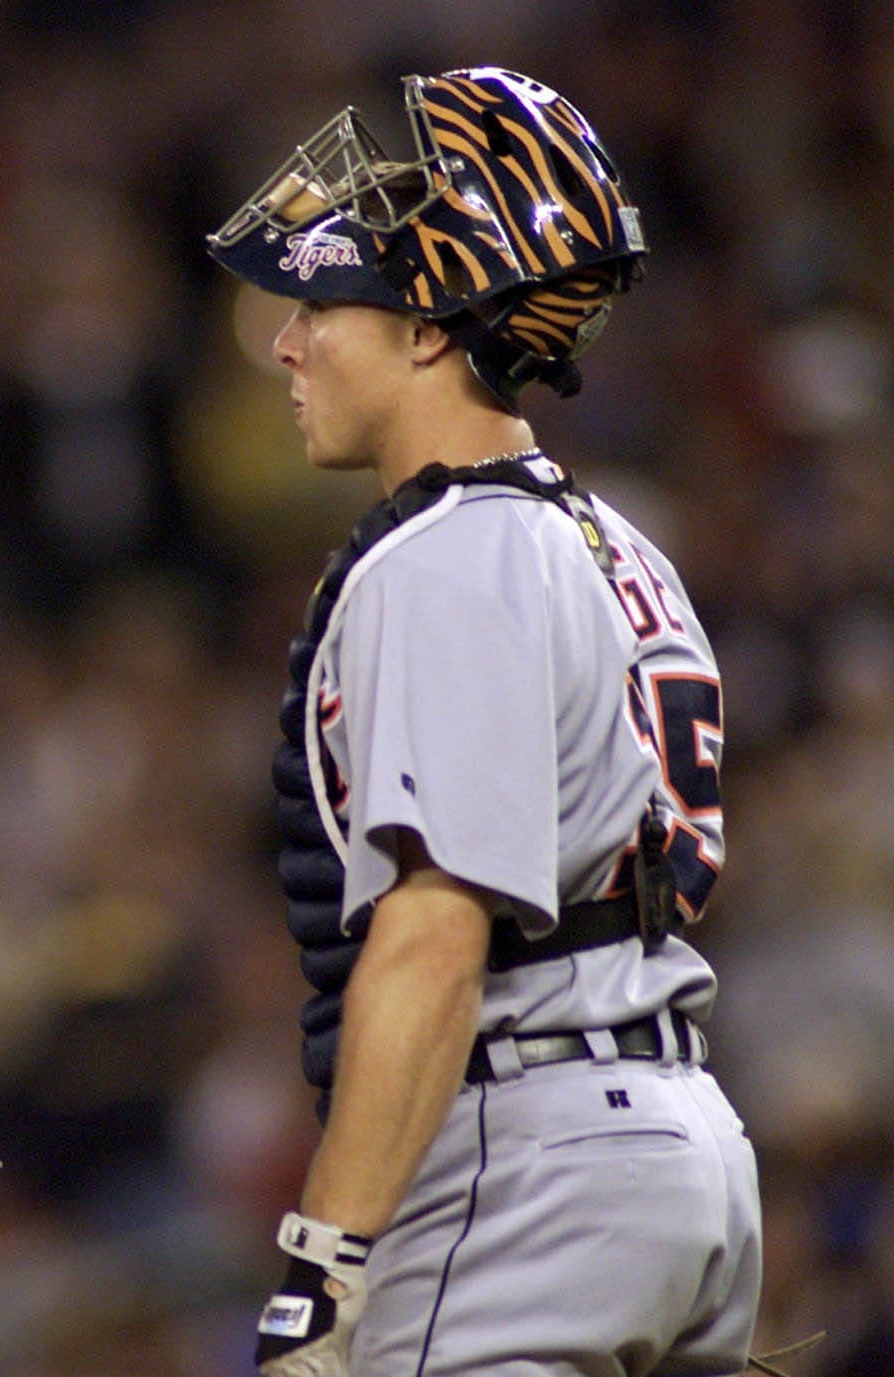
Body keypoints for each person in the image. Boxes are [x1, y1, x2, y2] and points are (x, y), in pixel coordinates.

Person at [205, 68, 761, 1376]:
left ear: (428, 328)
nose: (285, 344)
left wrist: (324, 1263)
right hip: (685, 1149)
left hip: (527, 1160)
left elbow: (435, 935)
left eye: (321, 306)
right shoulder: (623, 543)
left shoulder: (443, 558)